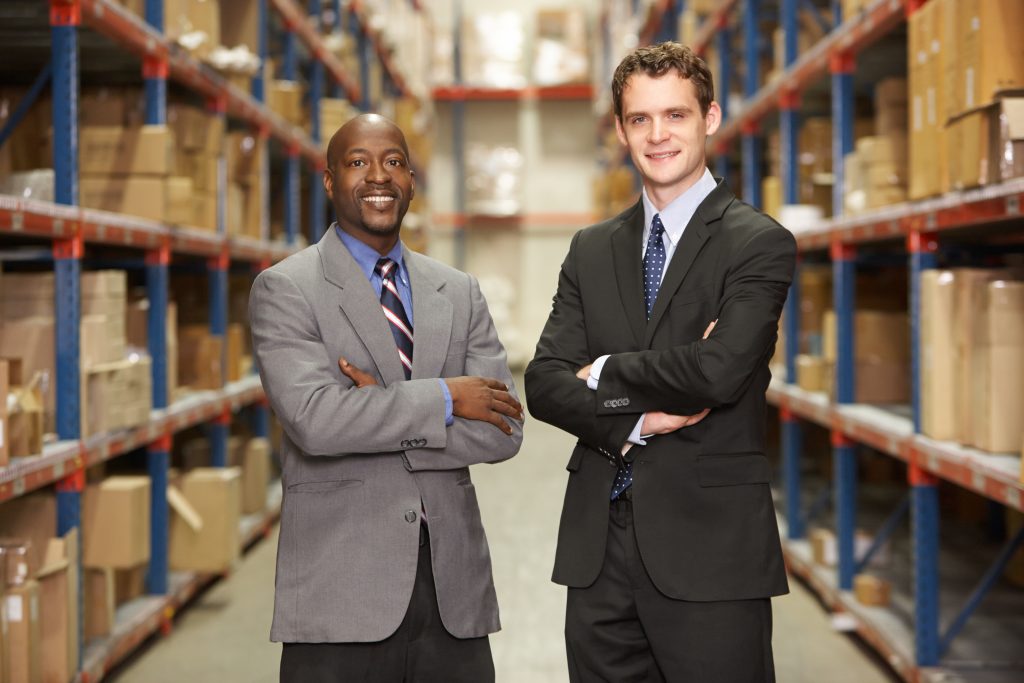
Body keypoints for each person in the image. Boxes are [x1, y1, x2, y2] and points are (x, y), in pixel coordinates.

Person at [525, 42, 796, 682]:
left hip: (710, 551)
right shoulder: (591, 249)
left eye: (675, 115)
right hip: (598, 552)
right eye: (640, 119)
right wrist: (639, 420)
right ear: (621, 131)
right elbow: (544, 383)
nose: (657, 135)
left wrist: (604, 371)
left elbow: (717, 372)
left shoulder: (757, 243)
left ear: (710, 118)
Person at [249, 113, 524, 683]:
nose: (379, 176)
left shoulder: (459, 291)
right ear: (330, 181)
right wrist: (446, 397)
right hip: (341, 594)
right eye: (358, 162)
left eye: (394, 162)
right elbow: (316, 422)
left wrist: (376, 410)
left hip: (452, 596)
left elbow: (503, 431)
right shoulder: (287, 289)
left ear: (412, 181)